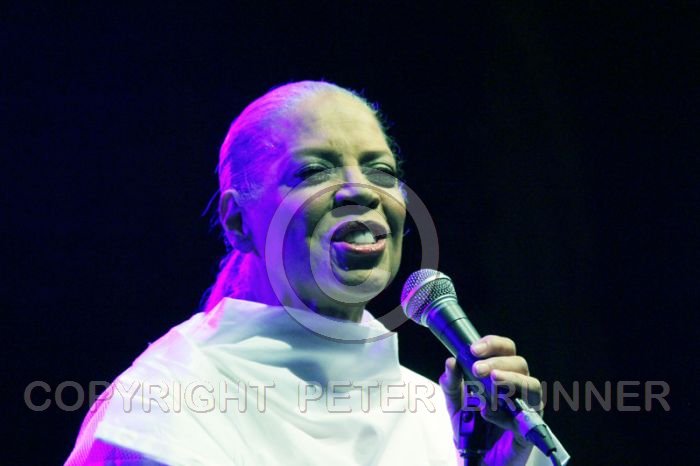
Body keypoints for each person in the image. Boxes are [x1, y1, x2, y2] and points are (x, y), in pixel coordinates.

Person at [65, 81, 550, 465]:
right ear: (238, 223)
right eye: (315, 171)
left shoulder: (440, 417)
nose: (361, 191)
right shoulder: (159, 408)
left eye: (381, 171)